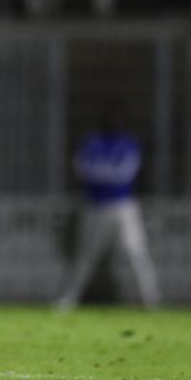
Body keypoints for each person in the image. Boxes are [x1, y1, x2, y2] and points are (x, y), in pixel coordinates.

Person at [56, 106, 161, 310]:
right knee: (86, 255)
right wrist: (106, 175)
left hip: (123, 206)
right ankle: (67, 300)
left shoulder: (128, 144)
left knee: (136, 253)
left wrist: (102, 175)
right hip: (96, 206)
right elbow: (84, 170)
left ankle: (151, 300)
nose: (113, 121)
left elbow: (125, 173)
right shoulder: (91, 144)